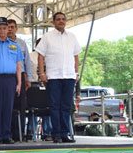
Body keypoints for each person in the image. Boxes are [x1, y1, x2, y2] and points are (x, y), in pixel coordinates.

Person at [35, 12, 81, 143]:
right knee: (54, 106)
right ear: (53, 22)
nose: (61, 21)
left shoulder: (72, 36)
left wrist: (76, 72)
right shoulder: (47, 37)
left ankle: (65, 134)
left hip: (69, 76)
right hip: (53, 76)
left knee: (66, 106)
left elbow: (76, 56)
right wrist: (42, 73)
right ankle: (56, 134)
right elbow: (40, 56)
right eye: (58, 19)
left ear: (66, 21)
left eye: (63, 19)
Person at [7, 19, 33, 141]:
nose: (10, 29)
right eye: (8, 27)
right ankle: (8, 133)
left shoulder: (22, 43)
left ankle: (20, 133)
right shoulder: (2, 43)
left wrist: (29, 78)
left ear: (16, 29)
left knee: (21, 106)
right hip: (7, 75)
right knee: (8, 105)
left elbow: (27, 61)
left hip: (21, 76)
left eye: (12, 27)